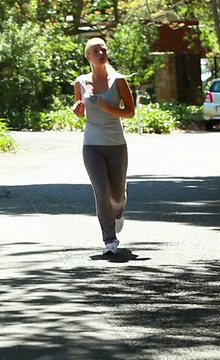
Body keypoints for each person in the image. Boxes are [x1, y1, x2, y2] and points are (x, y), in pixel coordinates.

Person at [71, 37, 135, 255]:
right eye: (96, 50)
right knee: (101, 191)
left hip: (116, 144)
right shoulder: (80, 82)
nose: (101, 53)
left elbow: (130, 111)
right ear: (88, 56)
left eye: (104, 50)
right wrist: (78, 111)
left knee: (117, 195)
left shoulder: (118, 81)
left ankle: (119, 210)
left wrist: (108, 108)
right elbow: (80, 113)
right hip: (91, 145)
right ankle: (109, 240)